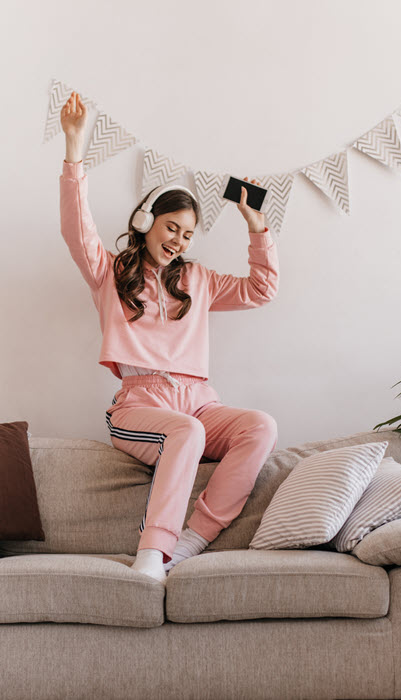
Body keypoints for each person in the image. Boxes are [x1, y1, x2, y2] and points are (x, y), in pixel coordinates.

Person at [59, 91, 279, 583]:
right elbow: (77, 230)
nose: (178, 240)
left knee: (260, 426)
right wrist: (75, 147)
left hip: (200, 400)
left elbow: (262, 289)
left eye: (187, 233)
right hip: (140, 404)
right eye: (171, 227)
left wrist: (256, 225)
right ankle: (152, 555)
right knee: (187, 432)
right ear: (146, 222)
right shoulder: (110, 273)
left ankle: (192, 540)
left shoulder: (198, 280)